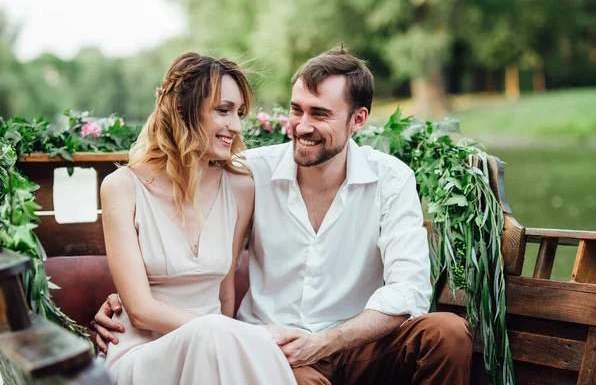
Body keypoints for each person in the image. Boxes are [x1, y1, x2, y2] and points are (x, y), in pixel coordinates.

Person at [95, 47, 473, 384]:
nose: (302, 126)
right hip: (277, 347)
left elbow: (410, 291)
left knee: (448, 333)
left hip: (358, 344)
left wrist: (323, 343)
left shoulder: (392, 178)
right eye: (297, 110)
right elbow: (185, 242)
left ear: (357, 120)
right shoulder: (249, 172)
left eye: (320, 114)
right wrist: (128, 299)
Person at [98, 52, 296, 385]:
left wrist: (229, 339)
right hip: (143, 355)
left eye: (239, 113)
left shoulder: (240, 187)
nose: (235, 125)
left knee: (215, 345)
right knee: (213, 336)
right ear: (180, 109)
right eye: (223, 110)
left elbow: (224, 293)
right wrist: (239, 335)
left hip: (215, 351)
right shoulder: (121, 188)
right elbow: (140, 310)